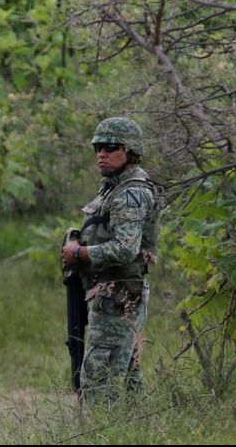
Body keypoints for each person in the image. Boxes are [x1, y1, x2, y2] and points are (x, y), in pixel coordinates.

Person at [61, 117, 160, 405]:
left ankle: (106, 427)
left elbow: (124, 250)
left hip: (118, 296)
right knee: (127, 377)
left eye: (110, 147)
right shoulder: (114, 187)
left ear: (130, 151)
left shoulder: (131, 193)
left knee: (98, 379)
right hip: (110, 293)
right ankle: (133, 425)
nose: (101, 154)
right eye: (97, 148)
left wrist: (79, 254)